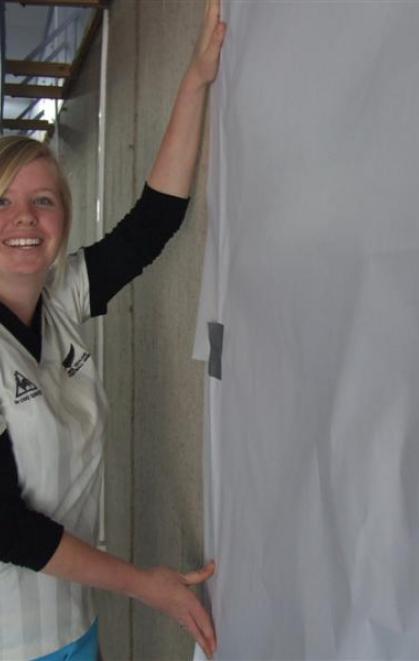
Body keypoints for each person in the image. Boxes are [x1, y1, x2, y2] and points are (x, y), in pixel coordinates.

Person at [0, 1, 226, 659]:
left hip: (74, 627)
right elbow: (9, 529)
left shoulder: (61, 296)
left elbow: (151, 224)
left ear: (62, 220)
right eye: (4, 199)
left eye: (43, 199)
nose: (25, 217)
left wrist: (196, 79)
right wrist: (146, 585)